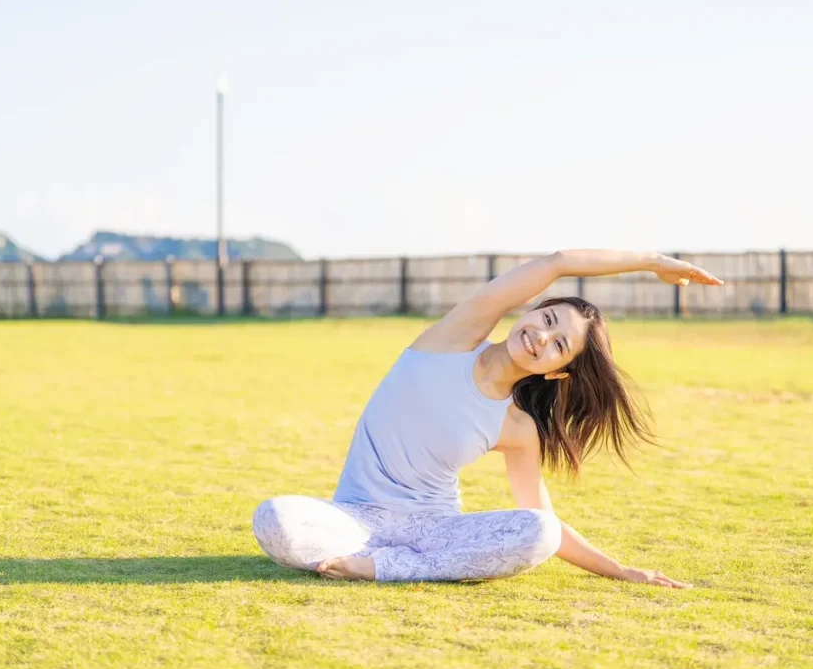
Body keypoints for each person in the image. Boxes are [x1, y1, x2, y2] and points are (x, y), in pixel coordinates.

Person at [253, 250, 722, 587]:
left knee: (540, 533)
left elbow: (545, 521)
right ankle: (382, 559)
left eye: (559, 345)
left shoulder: (516, 427)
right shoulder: (455, 336)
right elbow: (555, 263)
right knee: (274, 519)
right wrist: (652, 262)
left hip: (432, 531)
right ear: (532, 311)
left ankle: (385, 568)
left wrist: (622, 570)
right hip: (356, 517)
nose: (542, 337)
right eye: (548, 320)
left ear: (557, 371)